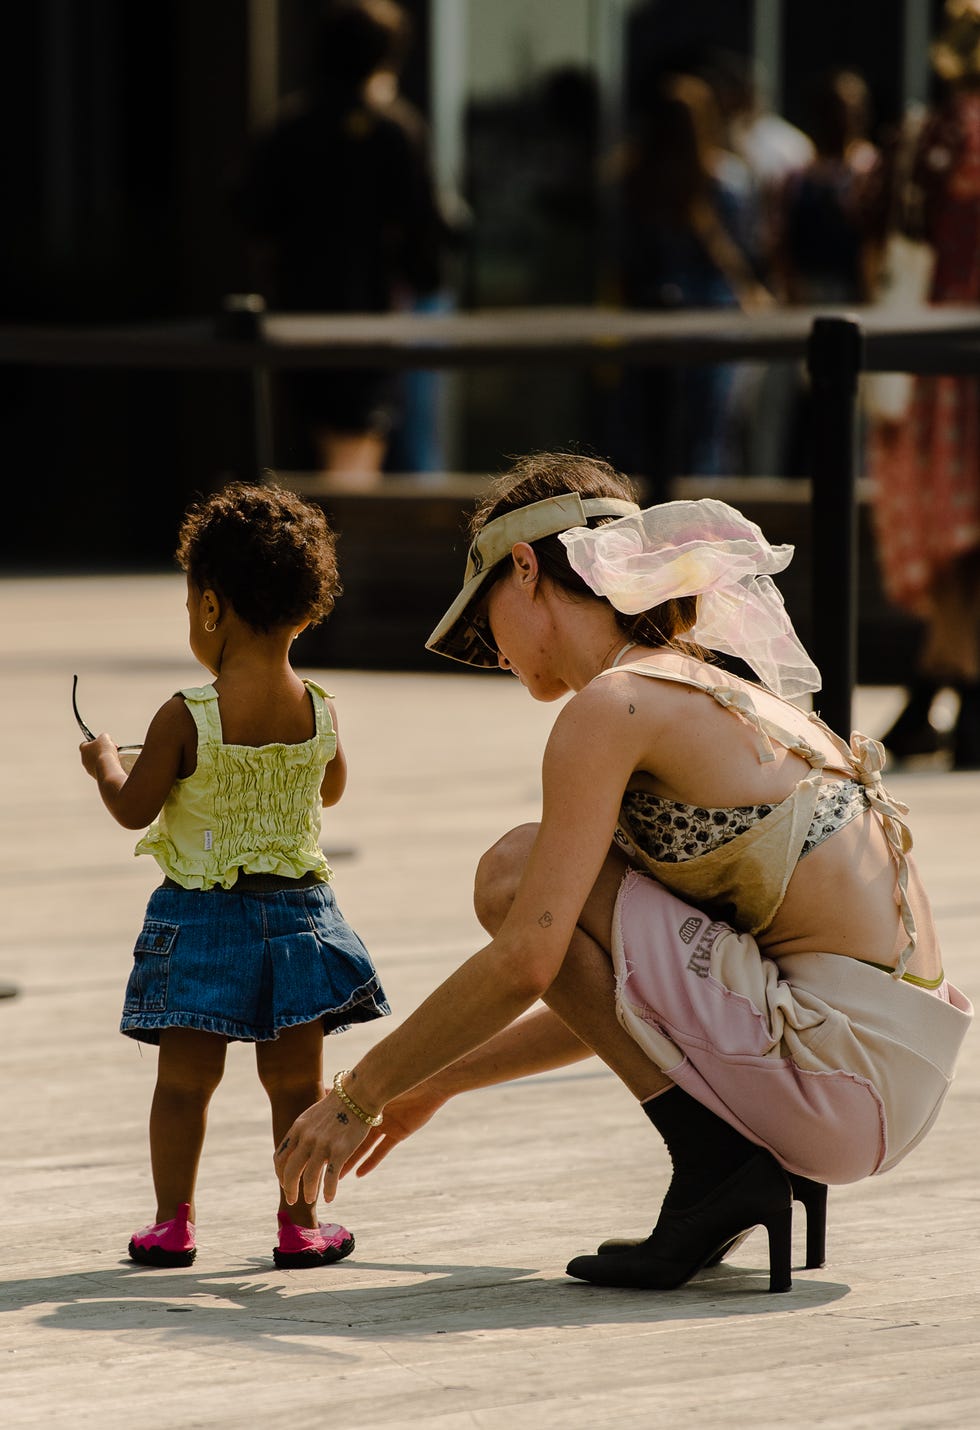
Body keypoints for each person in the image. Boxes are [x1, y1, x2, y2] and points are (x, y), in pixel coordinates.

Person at [274, 452, 971, 1294]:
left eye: (484, 613)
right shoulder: (706, 684)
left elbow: (531, 959)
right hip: (884, 1082)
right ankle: (729, 1171)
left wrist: (357, 1095)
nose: (490, 649)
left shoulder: (614, 705)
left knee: (513, 870)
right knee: (547, 891)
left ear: (525, 569)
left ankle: (718, 1169)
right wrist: (436, 1079)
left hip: (836, 1071)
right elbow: (631, 996)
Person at [79, 482, 389, 1269]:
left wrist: (106, 763)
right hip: (298, 923)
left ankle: (172, 1223)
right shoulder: (318, 708)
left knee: (184, 1084)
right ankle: (299, 1225)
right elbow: (332, 787)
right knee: (294, 1087)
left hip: (203, 921)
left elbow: (132, 810)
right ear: (308, 613)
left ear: (210, 608)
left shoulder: (187, 714)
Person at [232, 0, 450, 483]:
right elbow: (423, 231)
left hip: (296, 310)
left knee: (309, 444)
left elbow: (252, 216)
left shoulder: (287, 128)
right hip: (370, 314)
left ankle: (312, 548)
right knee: (356, 451)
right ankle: (336, 550)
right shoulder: (394, 129)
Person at [869, 0, 980, 769]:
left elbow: (869, 227)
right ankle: (963, 697)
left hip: (916, 358)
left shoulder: (914, 136)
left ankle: (933, 691)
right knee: (971, 544)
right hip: (967, 363)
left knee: (950, 545)